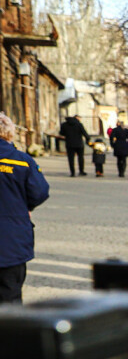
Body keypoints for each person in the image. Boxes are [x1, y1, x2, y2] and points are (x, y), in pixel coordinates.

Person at [0, 113, 50, 303]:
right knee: (10, 296)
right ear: (9, 133)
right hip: (12, 240)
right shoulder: (23, 161)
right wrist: (25, 205)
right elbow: (40, 192)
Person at [59, 112, 89, 177]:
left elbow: (61, 133)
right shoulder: (79, 124)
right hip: (79, 144)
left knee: (71, 158)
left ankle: (72, 172)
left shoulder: (64, 125)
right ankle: (81, 171)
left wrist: (67, 134)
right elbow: (84, 133)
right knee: (80, 157)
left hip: (69, 144)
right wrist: (87, 139)